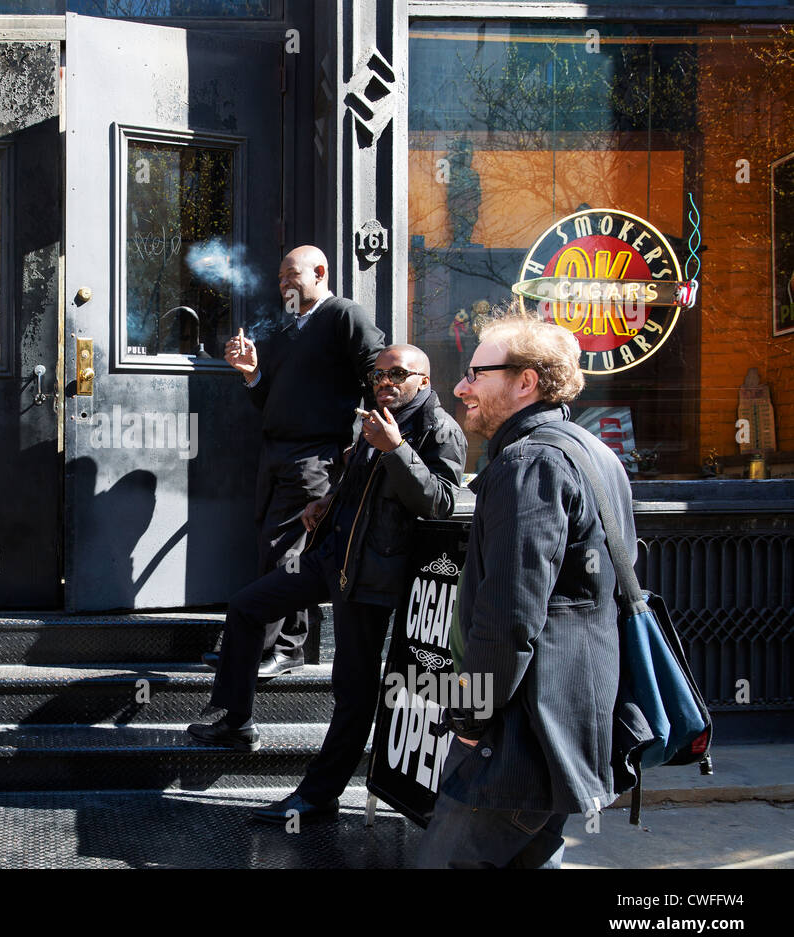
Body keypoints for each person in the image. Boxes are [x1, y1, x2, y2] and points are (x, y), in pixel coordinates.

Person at [415, 308, 635, 869]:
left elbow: (510, 615)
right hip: (568, 722)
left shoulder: (529, 462)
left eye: (475, 373)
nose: (461, 386)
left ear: (525, 382)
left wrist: (467, 717)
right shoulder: (595, 453)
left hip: (517, 737)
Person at [190, 346, 466, 783]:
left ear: (424, 381)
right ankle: (236, 722)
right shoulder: (373, 419)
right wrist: (326, 501)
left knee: (352, 689)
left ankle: (321, 793)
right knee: (247, 605)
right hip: (329, 556)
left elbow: (440, 502)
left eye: (397, 374)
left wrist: (396, 450)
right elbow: (361, 488)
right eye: (378, 376)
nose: (385, 383)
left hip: (372, 574)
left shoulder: (438, 429)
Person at [217, 245, 385, 677]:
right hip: (276, 455)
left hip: (316, 457)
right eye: (280, 278)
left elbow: (379, 375)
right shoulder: (289, 330)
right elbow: (271, 402)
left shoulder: (345, 315)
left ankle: (272, 649)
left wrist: (366, 444)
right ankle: (271, 645)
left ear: (321, 273)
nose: (284, 284)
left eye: (292, 274)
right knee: (277, 550)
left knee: (284, 552)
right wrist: (252, 374)